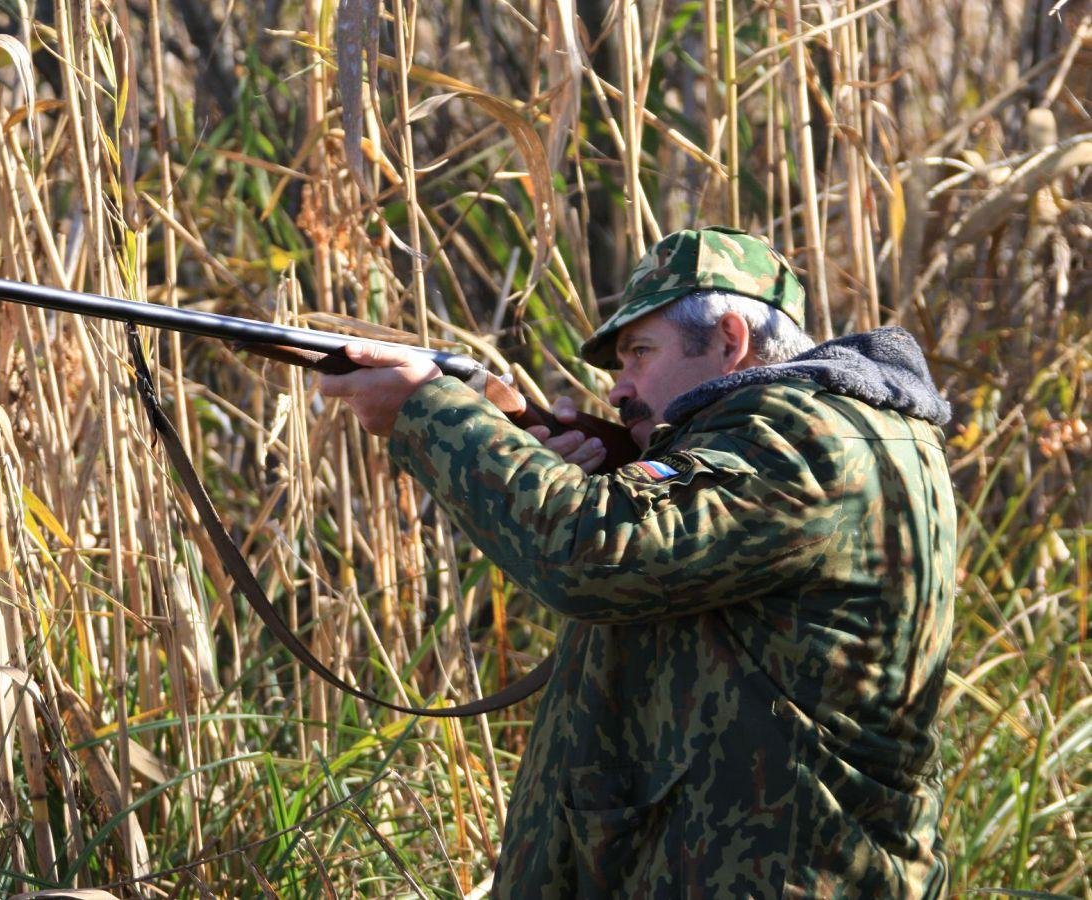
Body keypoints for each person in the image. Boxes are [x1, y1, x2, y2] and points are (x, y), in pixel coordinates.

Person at [319, 226, 955, 898]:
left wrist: (431, 414)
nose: (620, 390)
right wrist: (545, 452)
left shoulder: (804, 438)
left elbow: (596, 552)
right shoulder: (833, 430)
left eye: (639, 355)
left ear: (729, 340)